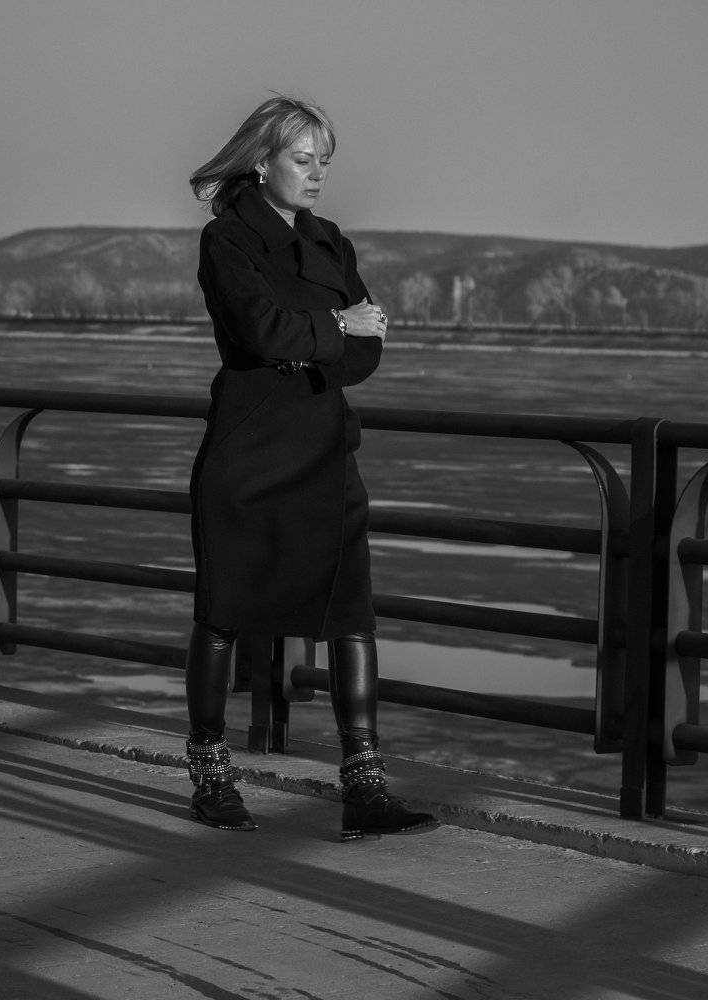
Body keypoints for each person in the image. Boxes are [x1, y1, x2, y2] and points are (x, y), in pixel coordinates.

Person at [183, 95, 439, 841]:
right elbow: (258, 330)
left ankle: (366, 792)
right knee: (223, 613)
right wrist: (332, 326)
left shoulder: (329, 240)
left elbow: (366, 350)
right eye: (303, 159)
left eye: (324, 160)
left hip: (326, 452)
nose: (317, 173)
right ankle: (211, 777)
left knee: (351, 616)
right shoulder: (227, 239)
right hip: (250, 452)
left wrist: (320, 340)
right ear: (262, 162)